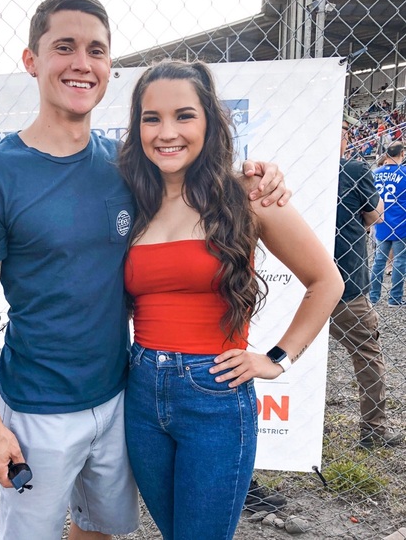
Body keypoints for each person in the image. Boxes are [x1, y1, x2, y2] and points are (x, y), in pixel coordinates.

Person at [0, 0, 290, 540]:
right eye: (64, 47)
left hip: (122, 396)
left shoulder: (128, 167)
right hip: (39, 406)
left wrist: (258, 174)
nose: (82, 63)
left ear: (110, 66)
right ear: (32, 60)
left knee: (100, 529)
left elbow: (194, 178)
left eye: (96, 50)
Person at [118, 59, 344, 540]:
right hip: (140, 389)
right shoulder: (132, 198)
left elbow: (326, 281)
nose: (166, 132)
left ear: (210, 122)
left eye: (184, 115)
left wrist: (277, 359)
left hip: (214, 393)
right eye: (151, 118)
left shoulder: (247, 194)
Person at [329, 114, 404, 449]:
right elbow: (375, 215)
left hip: (298, 280)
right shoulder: (353, 169)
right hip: (344, 281)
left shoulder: (291, 170)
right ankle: (373, 429)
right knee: (366, 353)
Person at [369, 141, 406, 307]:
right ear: (402, 154)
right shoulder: (404, 173)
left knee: (378, 261)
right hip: (401, 222)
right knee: (400, 261)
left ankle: (373, 297)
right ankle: (394, 298)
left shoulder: (375, 173)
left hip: (381, 221)